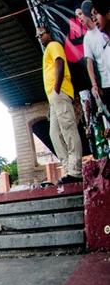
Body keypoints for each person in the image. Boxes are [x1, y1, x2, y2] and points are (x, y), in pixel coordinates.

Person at [37, 26, 83, 184]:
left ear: (49, 33)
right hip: (54, 98)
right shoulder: (47, 50)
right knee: (54, 134)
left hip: (60, 92)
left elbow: (60, 63)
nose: (40, 38)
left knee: (68, 130)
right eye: (38, 36)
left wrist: (56, 88)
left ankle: (76, 170)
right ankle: (69, 169)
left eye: (42, 34)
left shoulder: (53, 45)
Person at [80, 0, 110, 104]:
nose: (94, 18)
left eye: (96, 13)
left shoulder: (103, 29)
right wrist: (94, 84)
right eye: (92, 14)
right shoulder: (87, 38)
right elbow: (89, 62)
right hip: (106, 82)